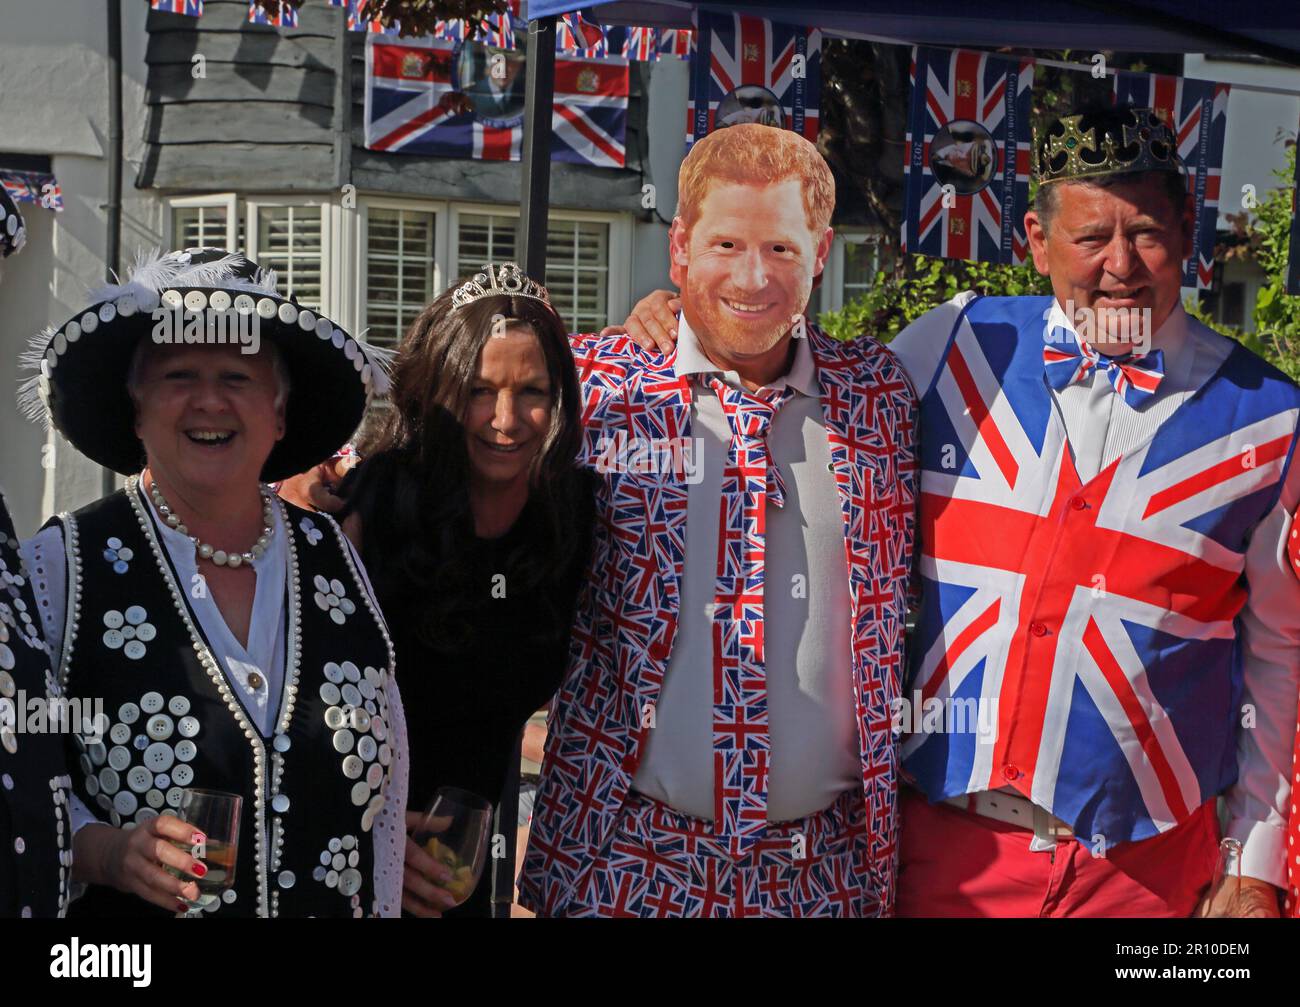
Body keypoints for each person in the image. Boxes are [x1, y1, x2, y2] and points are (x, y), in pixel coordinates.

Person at [619, 104, 1300, 918]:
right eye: (1090, 238)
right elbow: (786, 385)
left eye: (1147, 231)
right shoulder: (954, 341)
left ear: (1189, 233)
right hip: (945, 857)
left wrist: (1251, 860)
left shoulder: (1272, 421)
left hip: (1147, 876)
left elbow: (1280, 658)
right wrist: (684, 324)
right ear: (1038, 245)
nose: (1119, 265)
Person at [518, 123, 917, 917]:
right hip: (627, 859)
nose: (752, 276)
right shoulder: (598, 388)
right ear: (680, 248)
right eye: (726, 243)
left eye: (779, 248)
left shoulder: (882, 397)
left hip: (824, 874)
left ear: (822, 252)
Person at [18, 247, 409, 917]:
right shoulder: (62, 568)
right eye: (179, 374)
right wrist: (108, 850)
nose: (208, 400)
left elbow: (389, 794)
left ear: (279, 414)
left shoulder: (335, 560)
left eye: (236, 375)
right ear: (136, 409)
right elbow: (18, 771)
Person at [290, 267, 594, 918]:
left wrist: (661, 308)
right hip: (347, 865)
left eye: (532, 390)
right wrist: (373, 841)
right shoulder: (368, 509)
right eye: (478, 390)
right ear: (438, 391)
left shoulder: (574, 514)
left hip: (460, 879)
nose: (506, 421)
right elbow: (293, 709)